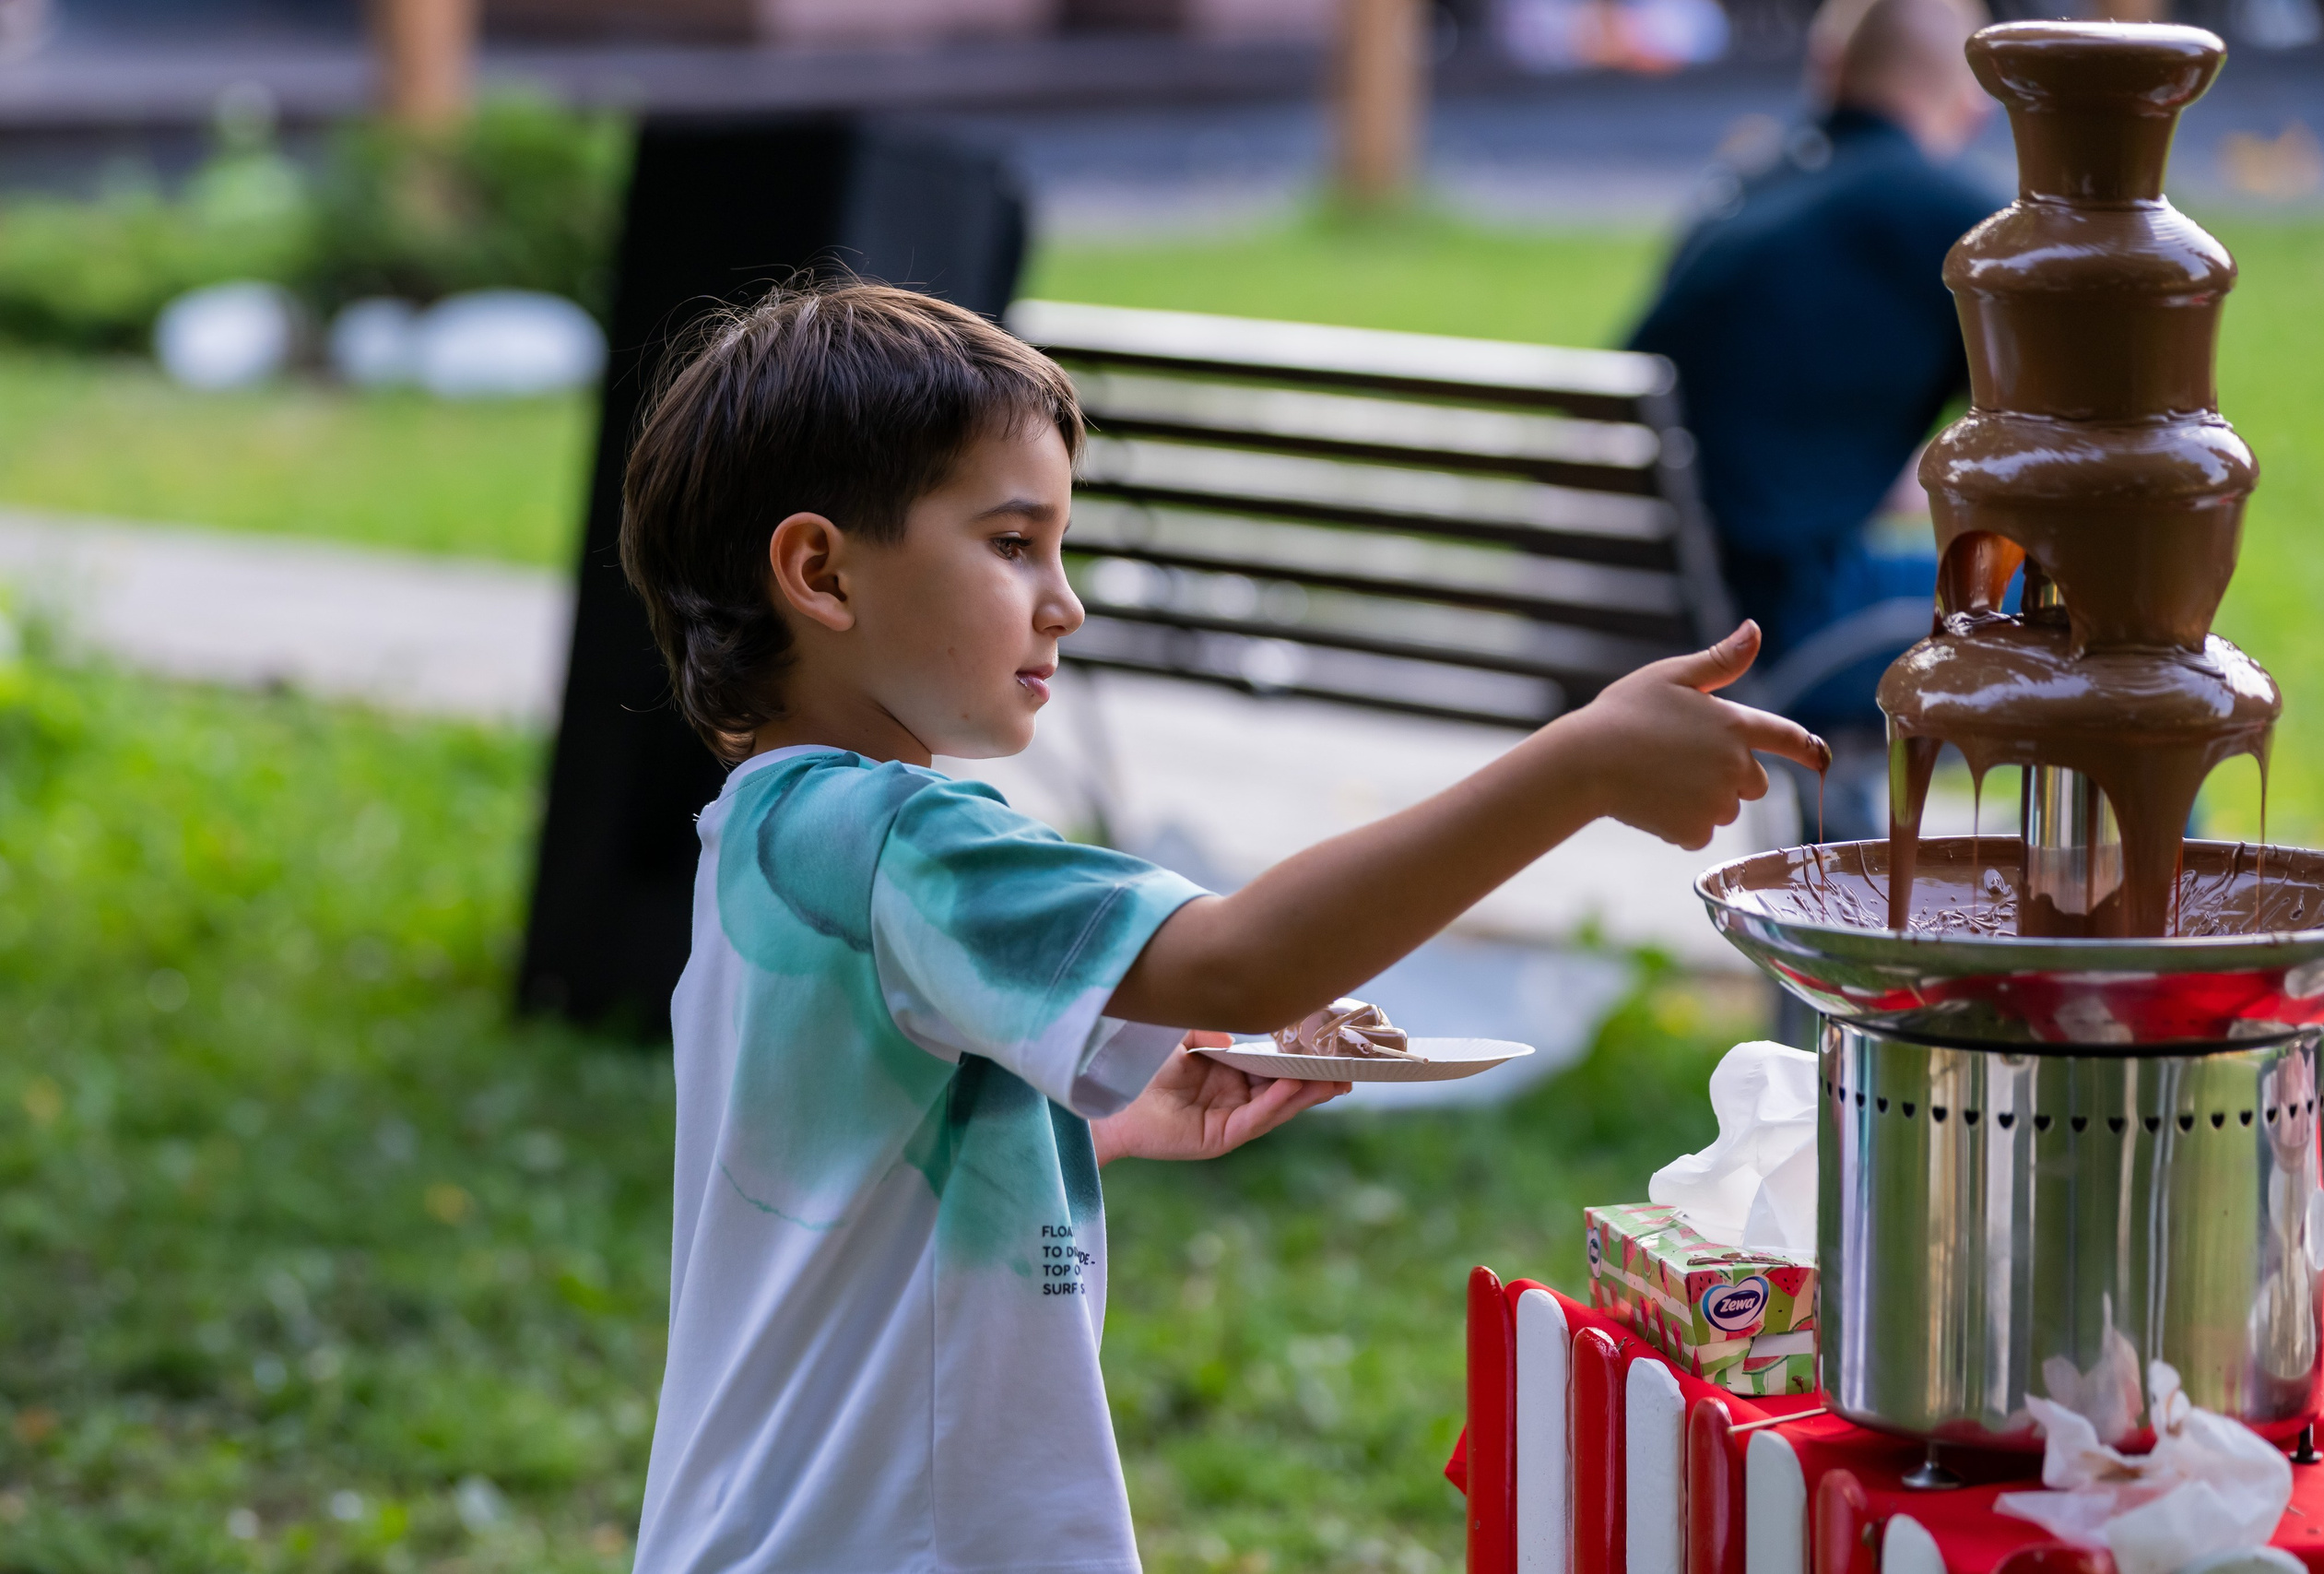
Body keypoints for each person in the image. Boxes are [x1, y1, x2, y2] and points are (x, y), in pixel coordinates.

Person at [617, 279, 1824, 1573]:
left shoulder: (770, 834)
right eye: (1014, 542)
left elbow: (853, 1148)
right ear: (821, 572)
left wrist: (1113, 1117)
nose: (1062, 599)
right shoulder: (897, 838)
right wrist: (1577, 768)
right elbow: (1250, 960)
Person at [1627, 0, 2004, 839]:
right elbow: (2037, 454)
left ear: (1831, 71)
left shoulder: (1746, 186)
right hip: (1769, 627)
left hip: (1630, 607)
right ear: (1974, 106)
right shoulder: (1953, 219)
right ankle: (2141, 951)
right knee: (2113, 631)